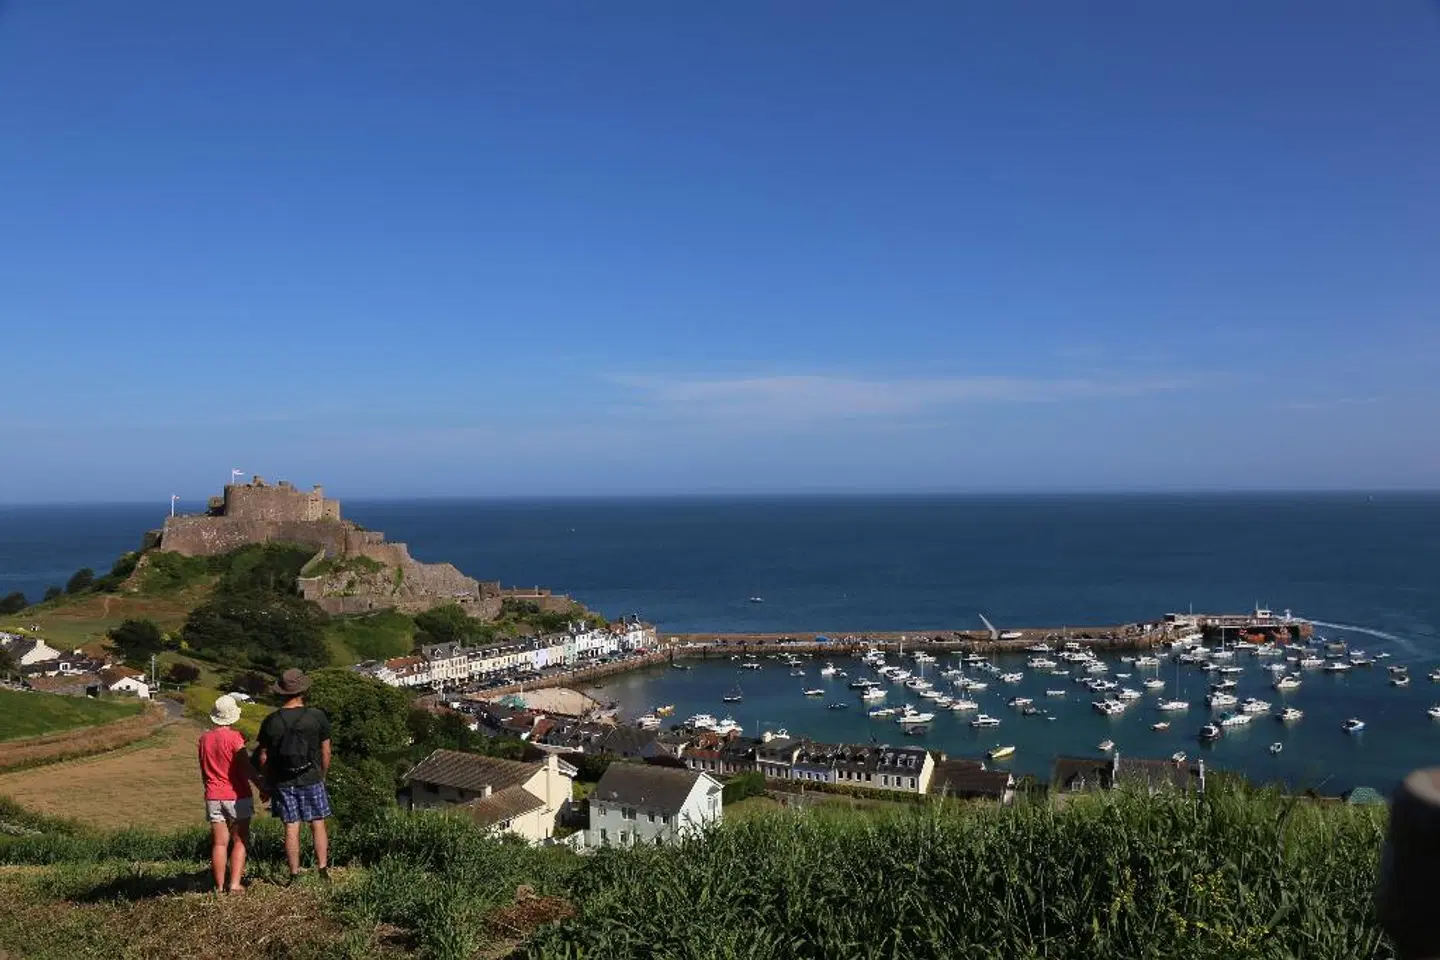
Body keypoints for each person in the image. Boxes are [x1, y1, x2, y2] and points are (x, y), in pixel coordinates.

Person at [256, 668, 333, 882]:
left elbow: (263, 756)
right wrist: (322, 775)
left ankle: (294, 874)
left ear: (281, 692)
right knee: (317, 822)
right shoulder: (317, 716)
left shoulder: (272, 721)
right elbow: (326, 751)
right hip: (312, 775)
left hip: (283, 779)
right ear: (303, 691)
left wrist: (266, 781)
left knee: (291, 825)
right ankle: (322, 869)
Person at [197, 694, 265, 894]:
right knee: (239, 840)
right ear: (233, 717)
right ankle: (234, 884)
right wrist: (262, 786)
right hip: (237, 795)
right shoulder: (235, 738)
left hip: (213, 794)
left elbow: (203, 770)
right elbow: (247, 768)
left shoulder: (204, 739)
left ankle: (218, 886)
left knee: (219, 843)